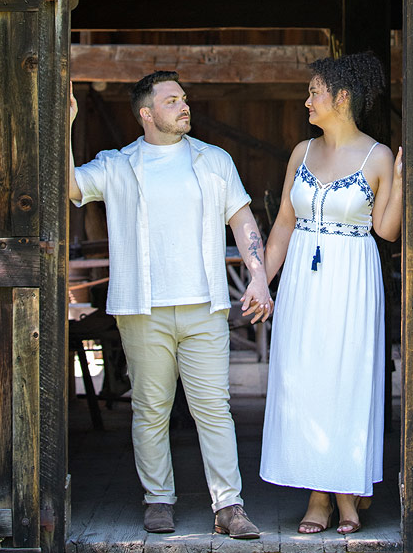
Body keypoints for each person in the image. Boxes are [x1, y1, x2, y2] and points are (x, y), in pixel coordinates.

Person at [68, 71, 272, 539]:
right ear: (146, 114)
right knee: (151, 407)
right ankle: (158, 499)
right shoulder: (117, 164)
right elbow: (71, 188)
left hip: (204, 306)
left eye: (183, 98)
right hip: (143, 308)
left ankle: (229, 506)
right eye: (171, 100)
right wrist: (67, 123)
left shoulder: (213, 160)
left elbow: (242, 220)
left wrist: (259, 276)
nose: (184, 106)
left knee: (213, 409)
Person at [259, 51, 403, 535]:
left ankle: (347, 492)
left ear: (342, 98)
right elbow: (283, 223)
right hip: (302, 278)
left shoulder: (376, 156)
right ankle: (317, 496)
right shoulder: (301, 153)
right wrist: (262, 278)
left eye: (314, 91)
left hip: (351, 280)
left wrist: (400, 182)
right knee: (304, 378)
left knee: (347, 379)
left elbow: (385, 230)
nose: (307, 100)